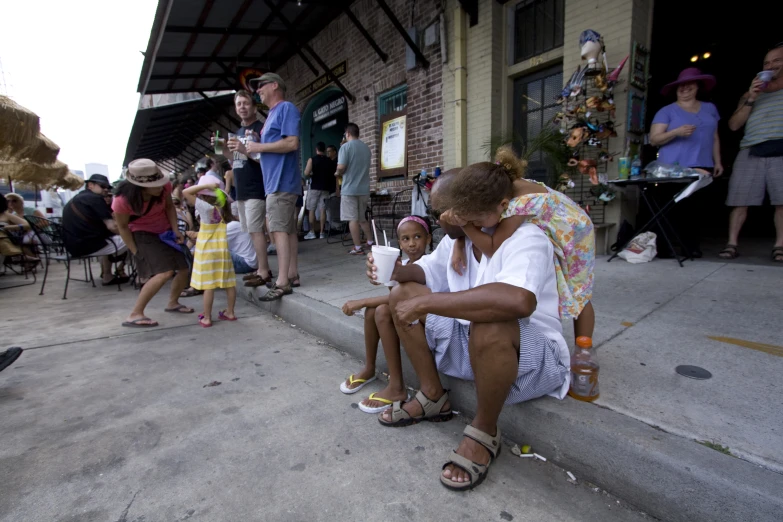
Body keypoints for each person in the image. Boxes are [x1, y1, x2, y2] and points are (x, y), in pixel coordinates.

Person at [367, 167, 570, 491]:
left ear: (461, 213)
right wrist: (395, 270)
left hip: (530, 355)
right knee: (400, 294)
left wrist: (428, 304)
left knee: (491, 320)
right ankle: (433, 395)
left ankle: (485, 429)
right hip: (470, 341)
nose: (437, 219)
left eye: (441, 212)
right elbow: (425, 272)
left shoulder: (528, 237)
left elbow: (518, 301)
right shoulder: (459, 241)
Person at [445, 147, 595, 340]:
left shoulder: (520, 205)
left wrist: (465, 226)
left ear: (504, 206)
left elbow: (492, 247)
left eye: (477, 222)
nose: (476, 226)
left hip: (575, 233)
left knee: (579, 292)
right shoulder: (495, 190)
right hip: (561, 220)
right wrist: (459, 241)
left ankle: (585, 348)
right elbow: (474, 220)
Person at [341, 216, 431, 413]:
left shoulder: (429, 264)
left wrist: (361, 301)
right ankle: (370, 367)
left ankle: (397, 386)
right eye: (405, 239)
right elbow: (394, 298)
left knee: (380, 309)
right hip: (406, 317)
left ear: (429, 239)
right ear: (399, 244)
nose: (412, 243)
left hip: (426, 321)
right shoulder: (402, 264)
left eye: (417, 237)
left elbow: (398, 303)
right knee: (373, 310)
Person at [650, 68, 723, 257]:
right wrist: (676, 132)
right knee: (670, 208)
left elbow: (715, 137)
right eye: (680, 86)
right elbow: (654, 139)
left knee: (695, 209)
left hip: (701, 164)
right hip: (672, 168)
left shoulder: (710, 109)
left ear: (697, 86)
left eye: (689, 84)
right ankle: (665, 249)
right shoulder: (666, 111)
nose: (684, 88)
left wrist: (718, 161)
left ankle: (691, 247)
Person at [113, 159, 193, 327]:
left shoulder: (164, 187)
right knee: (164, 272)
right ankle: (135, 314)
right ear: (139, 186)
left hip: (165, 231)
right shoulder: (122, 200)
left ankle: (173, 302)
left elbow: (170, 208)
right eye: (155, 185)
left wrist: (175, 230)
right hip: (142, 234)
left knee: (184, 266)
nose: (161, 187)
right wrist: (135, 251)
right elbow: (122, 227)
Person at [722, 44, 783, 262]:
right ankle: (732, 243)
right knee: (740, 200)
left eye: (777, 60)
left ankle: (780, 245)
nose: (771, 66)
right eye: (767, 63)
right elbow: (733, 126)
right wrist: (751, 97)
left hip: (781, 149)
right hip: (751, 149)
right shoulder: (750, 94)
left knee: (781, 201)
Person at [245, 72, 302, 300]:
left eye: (261, 86)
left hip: (281, 182)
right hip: (275, 182)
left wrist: (258, 147)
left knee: (278, 230)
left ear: (275, 85)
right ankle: (292, 274)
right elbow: (265, 154)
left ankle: (282, 282)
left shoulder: (285, 108)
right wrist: (247, 149)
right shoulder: (271, 115)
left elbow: (291, 142)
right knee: (286, 231)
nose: (258, 90)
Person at [217, 90, 273, 288]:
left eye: (245, 103)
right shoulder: (238, 133)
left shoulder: (261, 129)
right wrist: (224, 150)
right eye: (239, 103)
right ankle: (260, 269)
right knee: (250, 230)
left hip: (256, 187)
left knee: (257, 230)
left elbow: (264, 158)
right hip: (241, 189)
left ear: (254, 107)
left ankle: (264, 271)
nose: (242, 107)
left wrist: (243, 149)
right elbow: (237, 161)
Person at [181, 178, 237, 327]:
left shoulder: (205, 207)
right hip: (222, 251)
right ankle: (230, 312)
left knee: (209, 286)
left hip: (207, 251)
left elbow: (185, 192)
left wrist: (205, 185)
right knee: (229, 283)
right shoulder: (223, 207)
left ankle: (206, 317)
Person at [61, 174, 129, 286]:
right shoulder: (95, 199)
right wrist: (129, 232)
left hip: (74, 246)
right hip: (88, 246)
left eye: (108, 187)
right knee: (137, 239)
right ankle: (142, 276)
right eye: (103, 186)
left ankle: (107, 275)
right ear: (90, 185)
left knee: (111, 240)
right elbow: (112, 227)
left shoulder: (76, 199)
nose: (106, 189)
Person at [336, 123, 373, 255]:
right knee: (362, 218)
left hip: (349, 189)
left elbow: (341, 167)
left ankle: (357, 247)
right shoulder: (366, 148)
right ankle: (370, 242)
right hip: (364, 188)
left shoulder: (345, 147)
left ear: (348, 134)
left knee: (352, 219)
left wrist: (336, 173)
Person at [303, 142, 337, 240]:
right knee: (323, 210)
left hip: (314, 188)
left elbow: (306, 173)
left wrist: (311, 174)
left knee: (312, 209)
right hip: (325, 189)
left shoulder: (312, 160)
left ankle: (312, 232)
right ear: (324, 149)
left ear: (316, 149)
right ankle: (322, 232)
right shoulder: (329, 161)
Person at [0, 194, 37, 261]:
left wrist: (7, 227)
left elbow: (28, 225)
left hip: (6, 238)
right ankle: (16, 255)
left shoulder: (6, 215)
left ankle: (15, 255)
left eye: (14, 201)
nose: (12, 203)